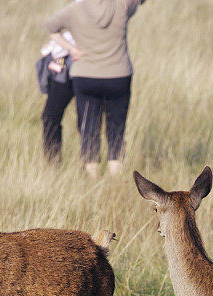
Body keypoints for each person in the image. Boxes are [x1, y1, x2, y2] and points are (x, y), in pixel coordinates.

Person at [44, 0, 144, 179]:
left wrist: (72, 49)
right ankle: (115, 180)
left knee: (88, 128)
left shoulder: (74, 9)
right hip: (118, 75)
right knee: (116, 129)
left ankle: (93, 180)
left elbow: (50, 27)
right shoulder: (122, 5)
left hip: (85, 75)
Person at [40, 27, 78, 163]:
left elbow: (50, 25)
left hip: (83, 68)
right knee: (50, 117)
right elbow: (51, 25)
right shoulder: (77, 7)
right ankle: (52, 164)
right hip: (64, 68)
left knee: (87, 120)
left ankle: (89, 168)